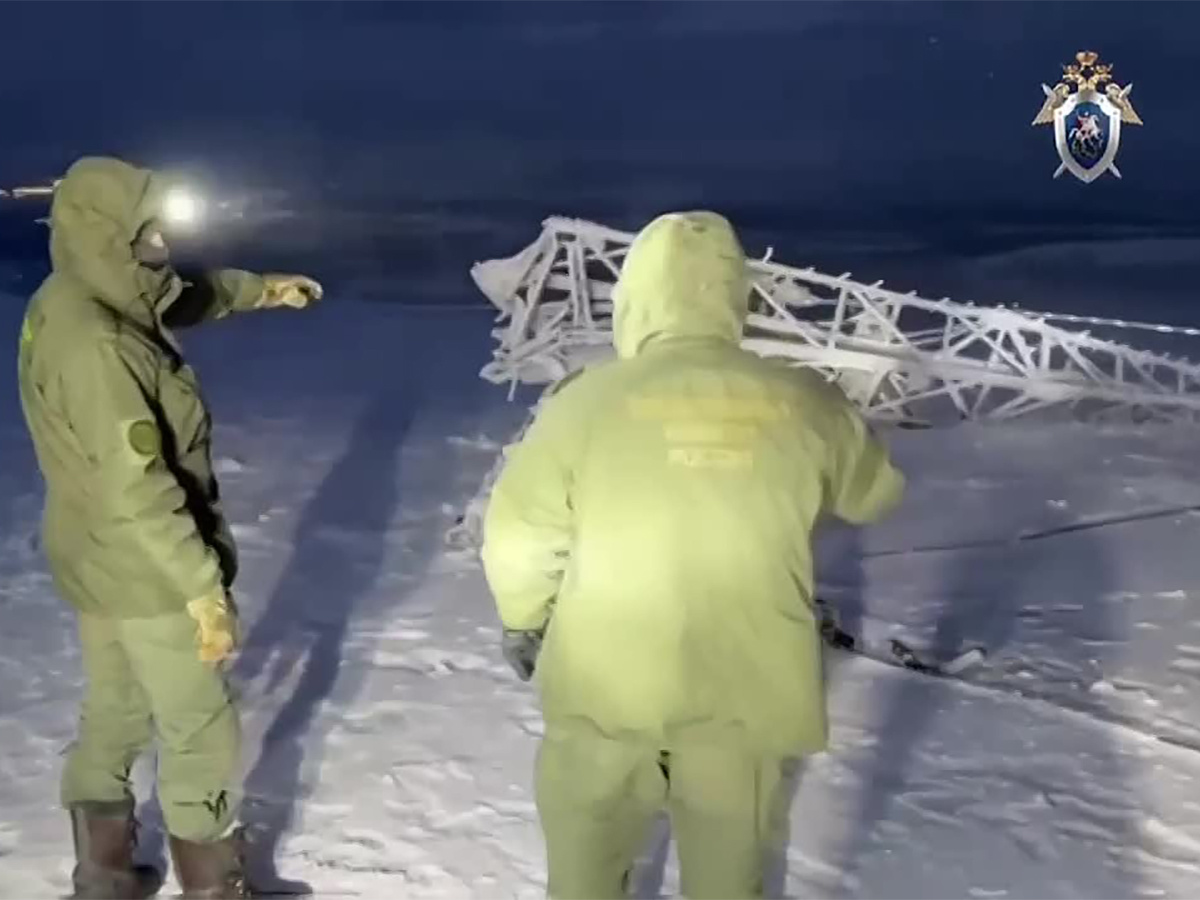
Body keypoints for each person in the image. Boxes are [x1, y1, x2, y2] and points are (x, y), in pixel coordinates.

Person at [481, 211, 904, 899]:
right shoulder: (805, 399)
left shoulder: (584, 403)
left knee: (585, 870)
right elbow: (875, 495)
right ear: (733, 295)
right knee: (727, 878)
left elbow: (520, 535)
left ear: (637, 298)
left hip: (606, 687)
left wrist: (524, 622)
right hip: (745, 688)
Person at [16, 156, 323, 899]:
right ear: (108, 234)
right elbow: (139, 487)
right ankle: (214, 888)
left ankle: (103, 875)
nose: (162, 244)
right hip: (148, 565)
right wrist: (200, 587)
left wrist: (260, 290)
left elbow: (170, 297)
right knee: (200, 728)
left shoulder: (74, 293)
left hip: (94, 555)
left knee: (117, 708)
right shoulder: (98, 347)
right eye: (148, 231)